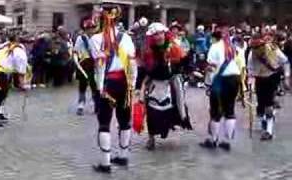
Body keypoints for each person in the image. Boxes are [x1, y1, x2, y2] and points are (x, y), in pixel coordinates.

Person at [89, 5, 137, 173]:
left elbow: (98, 65)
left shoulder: (95, 39)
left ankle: (105, 163)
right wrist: (132, 85)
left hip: (107, 84)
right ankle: (123, 157)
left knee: (104, 123)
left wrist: (100, 88)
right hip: (125, 84)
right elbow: (132, 64)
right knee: (125, 121)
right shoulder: (127, 39)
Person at [140, 22, 192, 150]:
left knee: (173, 109)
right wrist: (141, 90)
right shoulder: (148, 51)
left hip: (170, 84)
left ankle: (168, 127)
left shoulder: (173, 47)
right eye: (156, 34)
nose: (159, 36)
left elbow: (183, 62)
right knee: (152, 113)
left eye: (161, 33)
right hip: (154, 85)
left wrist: (186, 70)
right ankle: (151, 137)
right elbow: (146, 72)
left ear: (165, 34)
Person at [200, 24, 241, 151]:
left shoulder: (215, 47)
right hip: (235, 78)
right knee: (229, 109)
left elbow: (211, 66)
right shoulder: (232, 47)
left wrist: (207, 81)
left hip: (221, 80)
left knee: (215, 110)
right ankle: (227, 141)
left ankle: (214, 141)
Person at [248, 34, 290, 141]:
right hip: (260, 78)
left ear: (263, 44)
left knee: (268, 104)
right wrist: (250, 81)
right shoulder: (252, 54)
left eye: (258, 47)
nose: (256, 49)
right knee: (260, 106)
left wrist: (286, 77)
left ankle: (268, 131)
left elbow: (285, 61)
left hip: (272, 77)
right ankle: (265, 118)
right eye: (254, 47)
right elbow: (250, 69)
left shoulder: (273, 49)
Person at [0, 33, 28, 128]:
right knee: (0, 94)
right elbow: (21, 71)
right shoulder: (20, 52)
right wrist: (23, 85)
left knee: (3, 91)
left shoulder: (5, 46)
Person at [73, 15, 99, 116]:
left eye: (92, 28)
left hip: (94, 63)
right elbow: (76, 50)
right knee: (82, 85)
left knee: (94, 85)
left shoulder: (97, 38)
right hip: (84, 63)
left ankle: (96, 104)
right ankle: (81, 105)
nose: (90, 30)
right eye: (88, 28)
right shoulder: (80, 38)